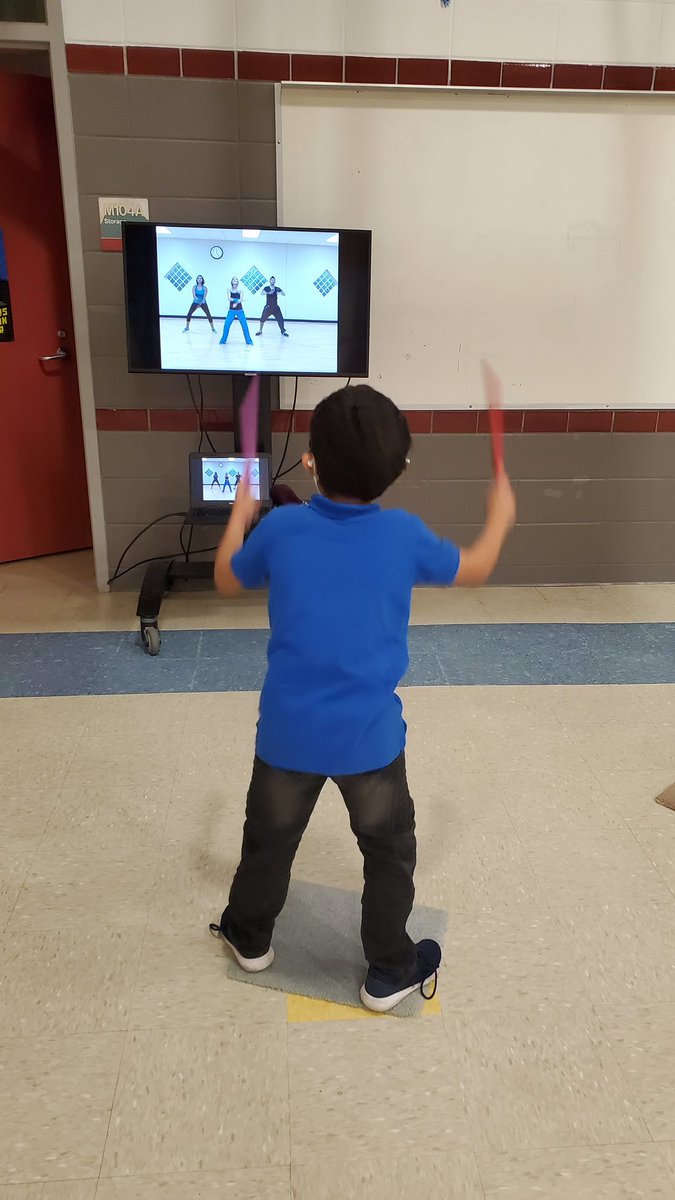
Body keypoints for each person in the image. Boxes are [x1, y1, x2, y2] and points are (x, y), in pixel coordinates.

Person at [212, 384, 516, 1012]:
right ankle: (388, 970)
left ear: (311, 462)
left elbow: (226, 578)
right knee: (388, 854)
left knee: (267, 842)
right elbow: (478, 567)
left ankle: (248, 937)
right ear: (398, 469)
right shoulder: (403, 535)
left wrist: (241, 514)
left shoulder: (282, 527)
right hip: (369, 742)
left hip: (287, 736)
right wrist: (501, 517)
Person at [220, 278, 253, 345]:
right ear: (231, 281)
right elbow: (229, 298)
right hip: (231, 310)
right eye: (233, 279)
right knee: (226, 325)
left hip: (239, 310)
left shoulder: (240, 289)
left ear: (237, 282)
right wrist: (236, 300)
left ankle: (249, 341)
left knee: (244, 326)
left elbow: (241, 299)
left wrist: (236, 303)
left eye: (236, 280)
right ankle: (223, 340)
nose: (235, 280)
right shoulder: (229, 289)